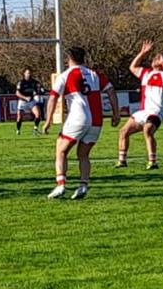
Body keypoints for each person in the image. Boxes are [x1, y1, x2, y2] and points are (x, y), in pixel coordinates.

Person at [42, 47, 119, 199]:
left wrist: (48, 120)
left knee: (61, 149)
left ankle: (61, 185)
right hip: (97, 120)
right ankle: (83, 186)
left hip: (78, 118)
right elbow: (111, 91)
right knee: (83, 155)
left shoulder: (65, 75)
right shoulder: (95, 74)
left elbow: (53, 98)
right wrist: (116, 113)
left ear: (69, 58)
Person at [116, 41, 163, 170]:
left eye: (158, 58)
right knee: (123, 131)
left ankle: (152, 161)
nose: (154, 59)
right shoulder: (146, 73)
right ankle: (122, 161)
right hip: (144, 111)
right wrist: (142, 53)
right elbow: (132, 67)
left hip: (157, 111)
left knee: (147, 130)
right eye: (154, 57)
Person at [14, 68, 44, 136]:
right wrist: (25, 97)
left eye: (30, 73)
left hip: (31, 101)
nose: (29, 74)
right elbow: (17, 93)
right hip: (22, 101)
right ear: (24, 74)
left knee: (38, 114)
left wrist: (40, 91)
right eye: (27, 73)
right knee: (19, 117)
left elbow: (39, 89)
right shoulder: (21, 82)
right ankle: (18, 130)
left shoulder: (34, 82)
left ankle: (35, 129)